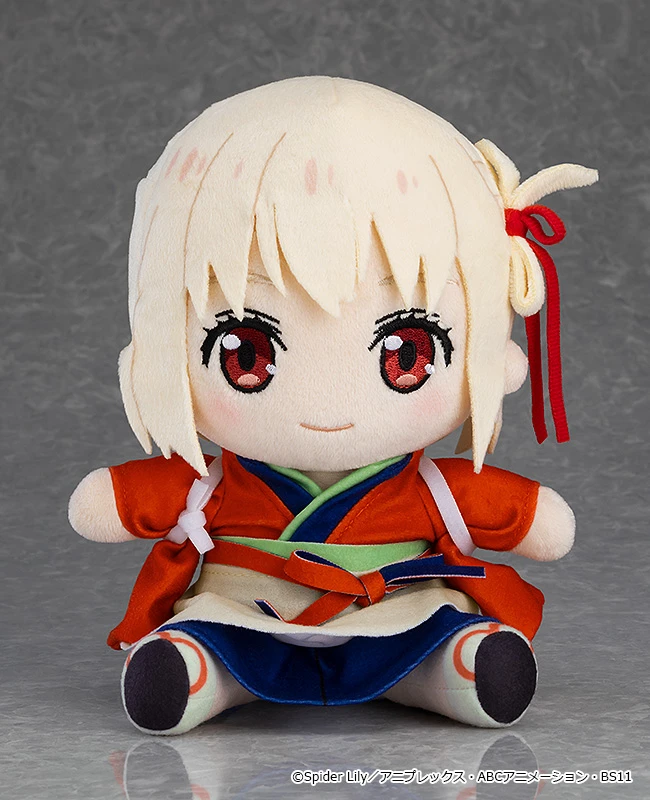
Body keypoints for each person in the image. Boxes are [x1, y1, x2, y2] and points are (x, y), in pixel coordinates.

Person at [68, 76, 597, 734]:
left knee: (432, 633)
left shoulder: (426, 491)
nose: (327, 403)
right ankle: (198, 671)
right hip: (245, 609)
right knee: (212, 634)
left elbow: (535, 522)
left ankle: (455, 667)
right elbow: (110, 504)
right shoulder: (211, 490)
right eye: (246, 353)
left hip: (396, 608)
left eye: (407, 354)